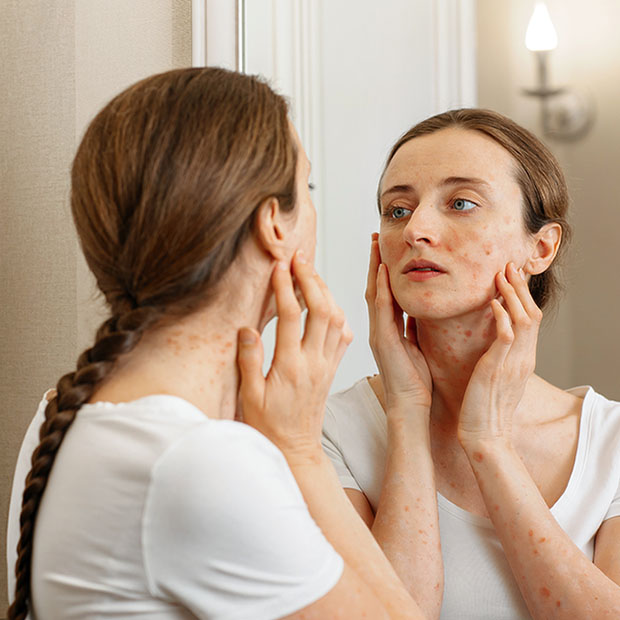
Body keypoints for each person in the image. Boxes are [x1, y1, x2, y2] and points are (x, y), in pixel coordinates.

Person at [6, 67, 427, 619]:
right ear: (273, 224)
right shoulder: (198, 461)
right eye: (307, 188)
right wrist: (301, 450)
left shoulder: (63, 414)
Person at [321, 109, 620, 619]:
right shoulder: (328, 433)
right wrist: (406, 413)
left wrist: (488, 442)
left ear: (541, 248)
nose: (416, 229)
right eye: (397, 210)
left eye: (461, 203)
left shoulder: (610, 443)